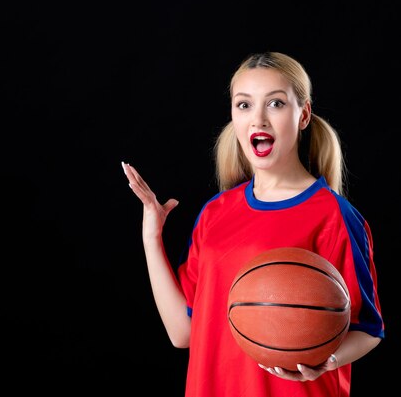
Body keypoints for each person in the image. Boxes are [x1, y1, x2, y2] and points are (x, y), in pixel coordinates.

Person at [121, 51, 384, 397]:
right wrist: (151, 236)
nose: (258, 119)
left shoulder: (334, 215)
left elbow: (369, 328)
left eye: (275, 104)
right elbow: (182, 332)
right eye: (244, 105)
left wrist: (328, 360)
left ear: (303, 115)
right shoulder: (215, 213)